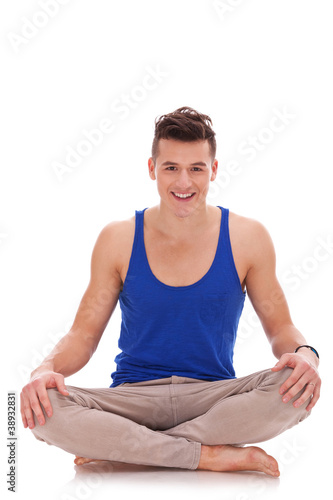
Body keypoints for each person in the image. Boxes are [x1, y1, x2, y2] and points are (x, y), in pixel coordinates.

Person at [20, 107, 321, 477]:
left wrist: (307, 355)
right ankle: (207, 455)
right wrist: (44, 368)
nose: (184, 182)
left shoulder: (248, 238)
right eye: (171, 168)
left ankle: (132, 449)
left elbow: (280, 330)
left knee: (294, 391)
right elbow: (83, 336)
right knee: (44, 407)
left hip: (213, 399)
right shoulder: (118, 238)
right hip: (132, 398)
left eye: (196, 168)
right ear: (152, 169)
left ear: (213, 170)